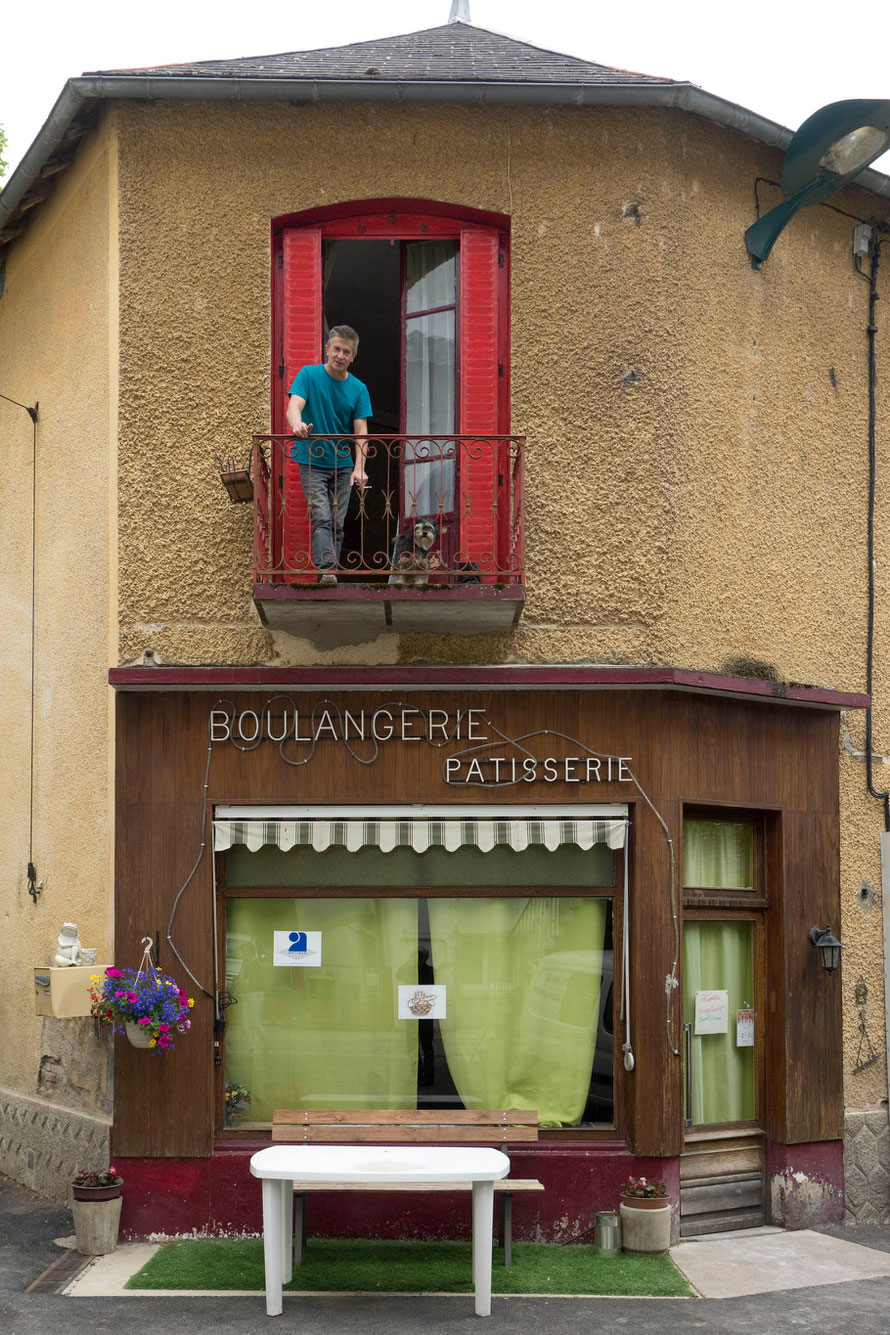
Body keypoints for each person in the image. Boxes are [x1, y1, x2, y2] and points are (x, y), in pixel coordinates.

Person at [286, 326, 372, 584]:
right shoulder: (308, 375)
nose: (340, 355)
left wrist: (359, 467)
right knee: (322, 515)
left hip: (343, 464)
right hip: (312, 461)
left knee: (337, 521)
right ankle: (327, 568)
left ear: (353, 356)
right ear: (327, 349)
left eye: (347, 351)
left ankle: (329, 569)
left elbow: (361, 431)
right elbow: (294, 405)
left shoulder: (358, 389)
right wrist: (297, 425)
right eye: (336, 349)